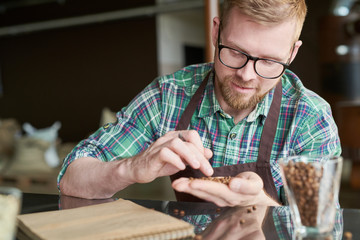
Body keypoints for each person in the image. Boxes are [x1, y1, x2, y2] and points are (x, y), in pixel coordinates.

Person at [58, 0, 341, 207]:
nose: (245, 74)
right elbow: (71, 178)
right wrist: (131, 168)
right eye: (235, 51)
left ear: (291, 53)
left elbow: (320, 224)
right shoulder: (168, 96)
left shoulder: (310, 118)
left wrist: (263, 207)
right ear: (216, 31)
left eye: (268, 61)